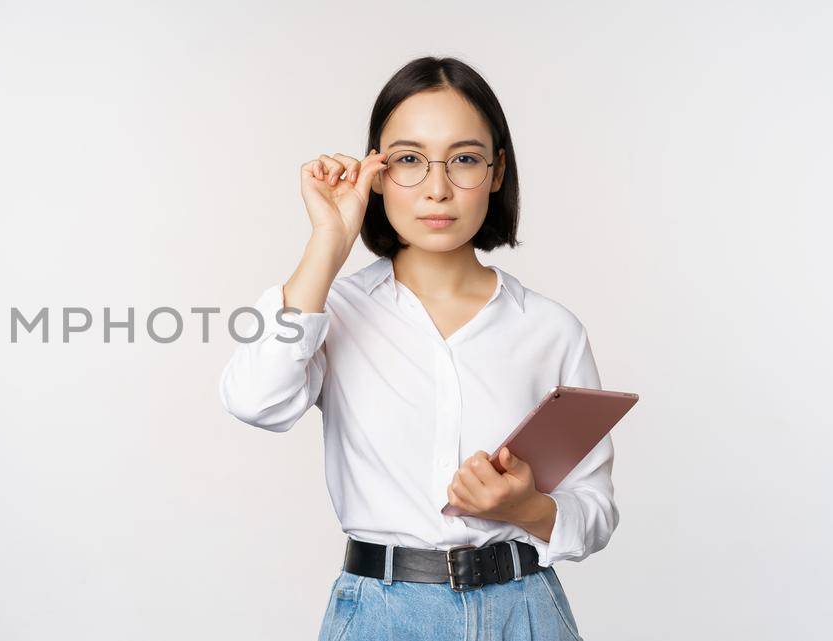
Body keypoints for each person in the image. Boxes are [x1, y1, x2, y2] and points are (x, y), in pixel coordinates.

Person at [218, 57, 617, 641]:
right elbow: (254, 399)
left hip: (526, 612)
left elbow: (596, 509)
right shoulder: (335, 310)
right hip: (382, 615)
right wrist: (329, 242)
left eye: (464, 159)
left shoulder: (552, 329)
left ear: (497, 170)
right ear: (376, 173)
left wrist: (523, 508)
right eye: (408, 159)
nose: (437, 188)